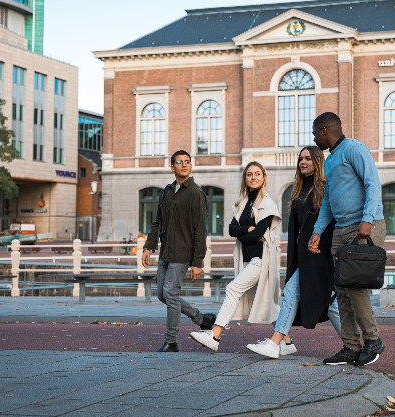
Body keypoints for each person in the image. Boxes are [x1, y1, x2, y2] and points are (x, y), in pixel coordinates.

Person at [246, 146, 341, 359]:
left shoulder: (326, 187)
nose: (303, 162)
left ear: (318, 161)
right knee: (329, 300)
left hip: (320, 252)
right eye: (301, 159)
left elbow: (333, 221)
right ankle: (355, 345)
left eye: (308, 159)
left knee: (291, 291)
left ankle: (275, 343)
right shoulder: (300, 189)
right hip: (304, 253)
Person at [308, 112, 386, 367]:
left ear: (323, 130)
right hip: (341, 229)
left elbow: (373, 183)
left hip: (363, 226)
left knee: (355, 286)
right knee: (341, 288)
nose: (313, 138)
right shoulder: (330, 162)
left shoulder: (355, 149)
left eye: (314, 133)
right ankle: (351, 346)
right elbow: (329, 201)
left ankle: (373, 341)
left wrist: (367, 219)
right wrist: (318, 231)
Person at [190, 162, 282, 352]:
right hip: (248, 259)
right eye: (249, 174)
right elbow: (232, 230)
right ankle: (287, 342)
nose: (253, 177)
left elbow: (256, 235)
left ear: (264, 177)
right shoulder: (242, 203)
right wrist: (246, 230)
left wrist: (246, 232)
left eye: (257, 174)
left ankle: (215, 334)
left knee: (232, 288)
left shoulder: (267, 204)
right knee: (267, 303)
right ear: (245, 178)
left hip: (261, 260)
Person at [142, 150, 215, 352]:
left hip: (183, 253)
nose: (184, 165)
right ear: (172, 166)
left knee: (171, 293)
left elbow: (200, 230)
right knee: (162, 294)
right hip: (166, 251)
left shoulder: (196, 193)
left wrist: (197, 262)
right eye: (179, 162)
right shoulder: (167, 190)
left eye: (187, 162)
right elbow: (158, 221)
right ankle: (202, 319)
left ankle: (171, 341)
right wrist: (148, 247)